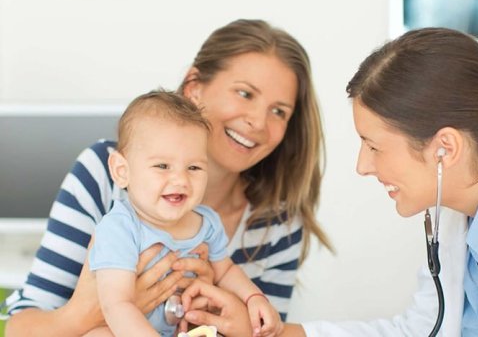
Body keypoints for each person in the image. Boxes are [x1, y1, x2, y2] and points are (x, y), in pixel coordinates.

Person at [174, 27, 478, 337]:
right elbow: (418, 330)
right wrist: (272, 332)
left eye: (373, 146)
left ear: (445, 148)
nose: (362, 165)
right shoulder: (465, 214)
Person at [4, 19, 332, 337]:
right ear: (195, 88)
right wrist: (90, 310)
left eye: (279, 111)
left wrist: (233, 308)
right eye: (245, 94)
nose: (259, 122)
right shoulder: (105, 179)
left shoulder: (276, 221)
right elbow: (20, 331)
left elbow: (266, 329)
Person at [84, 90, 282, 337]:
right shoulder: (120, 228)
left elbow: (226, 270)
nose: (180, 179)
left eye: (194, 167)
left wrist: (253, 297)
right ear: (122, 171)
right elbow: (116, 305)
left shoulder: (206, 222)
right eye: (162, 166)